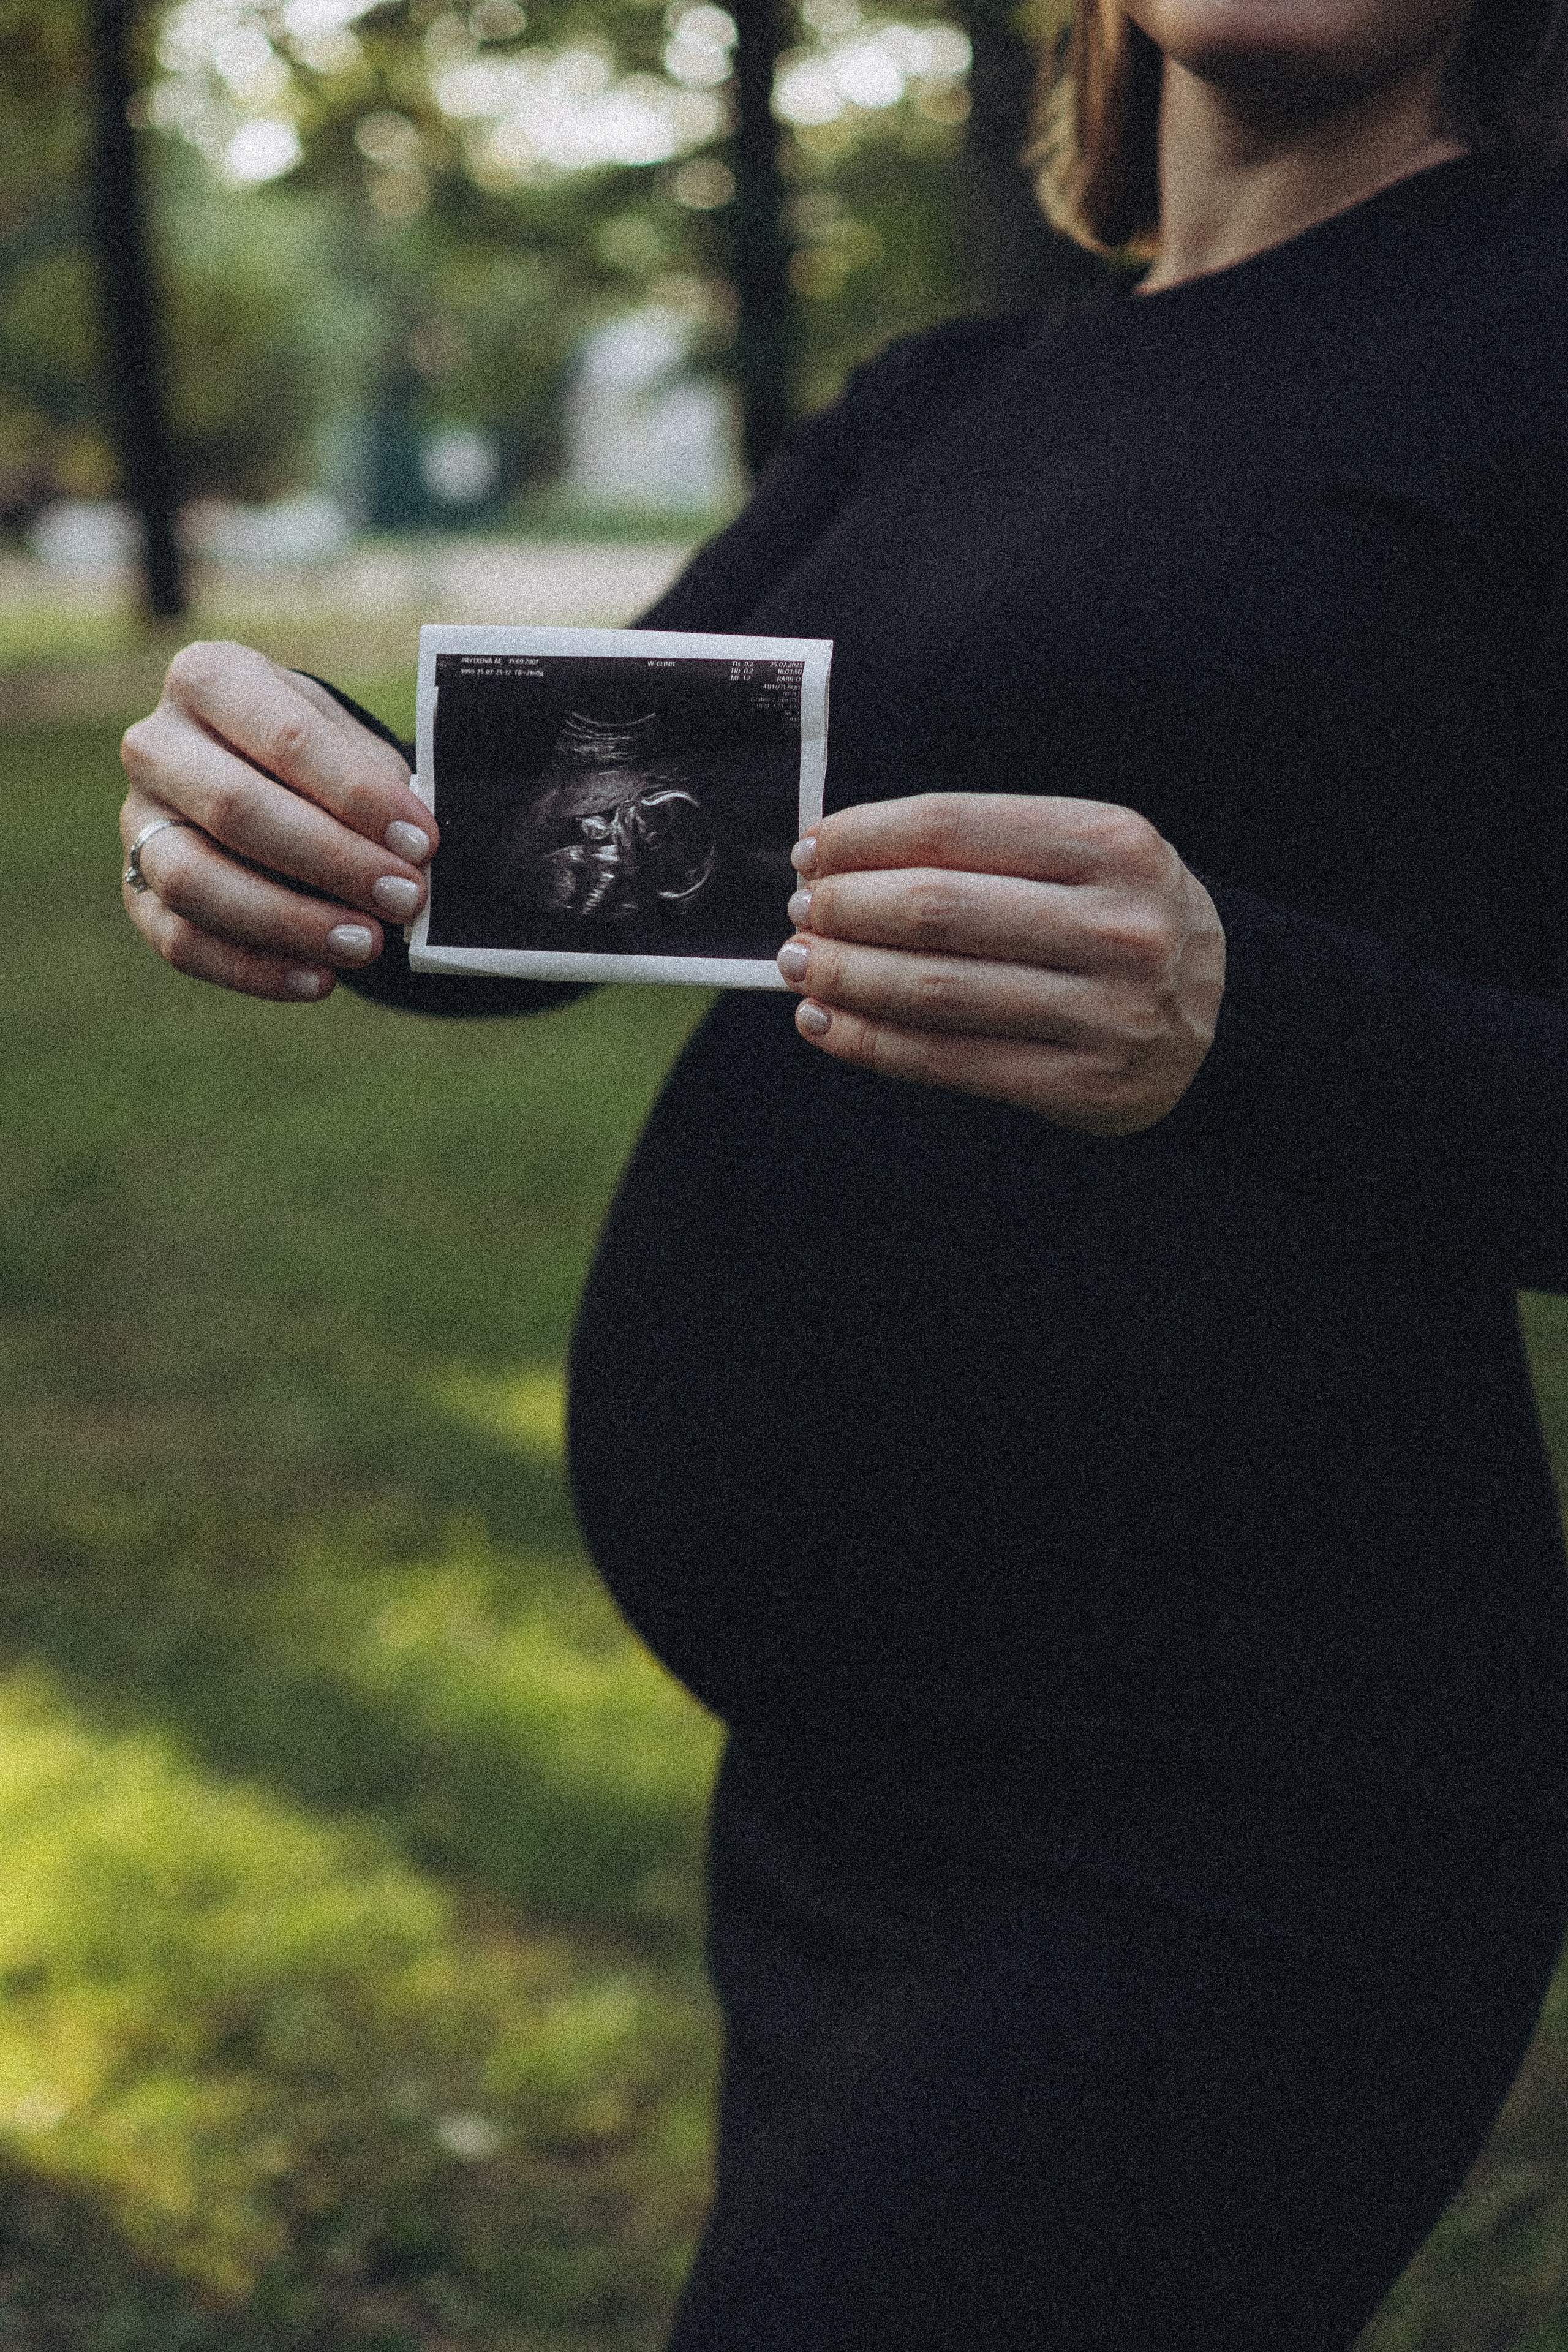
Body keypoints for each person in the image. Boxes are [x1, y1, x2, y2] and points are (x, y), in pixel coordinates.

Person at [118, 0, 1568, 2337]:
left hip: (1239, 1817)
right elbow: (537, 889)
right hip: (844, 1799)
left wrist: (1252, 1023)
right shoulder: (953, 401)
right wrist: (287, 813)